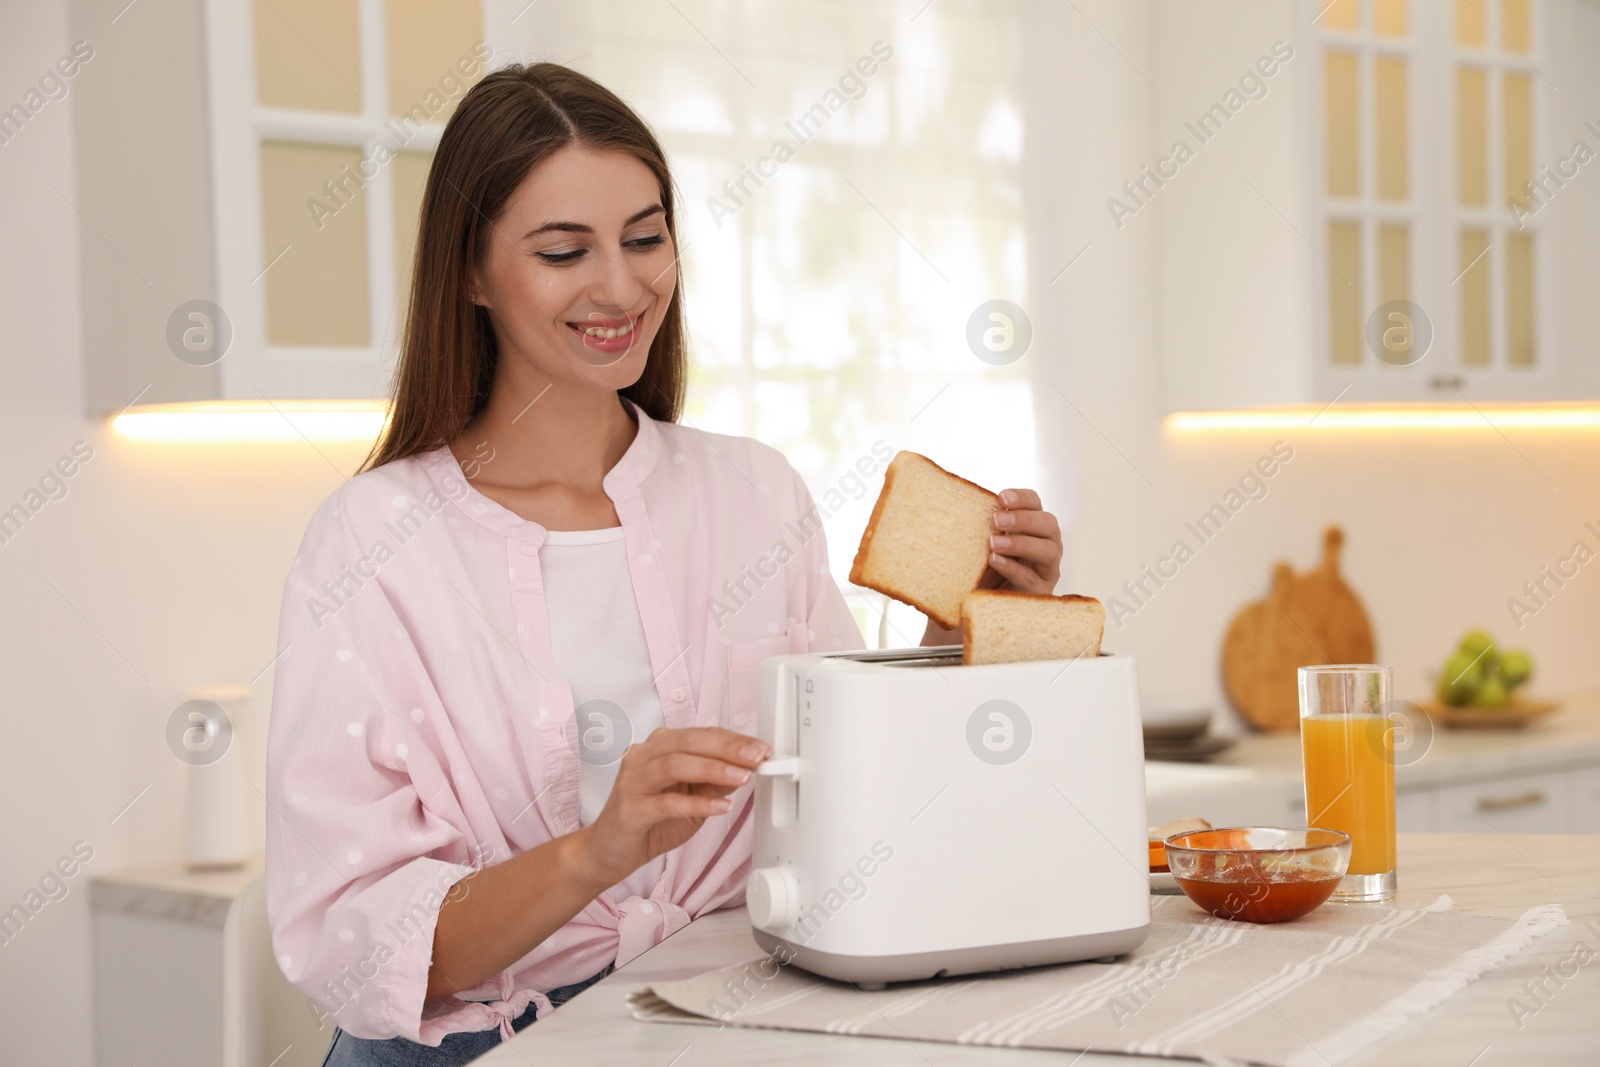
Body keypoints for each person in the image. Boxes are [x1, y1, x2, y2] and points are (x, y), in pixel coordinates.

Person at [264, 62, 1064, 1066]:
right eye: (564, 251)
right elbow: (355, 942)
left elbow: (852, 798)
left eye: (645, 237)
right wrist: (595, 853)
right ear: (470, 274)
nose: (621, 284)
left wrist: (967, 629)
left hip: (729, 1018)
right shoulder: (372, 541)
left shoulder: (752, 492)